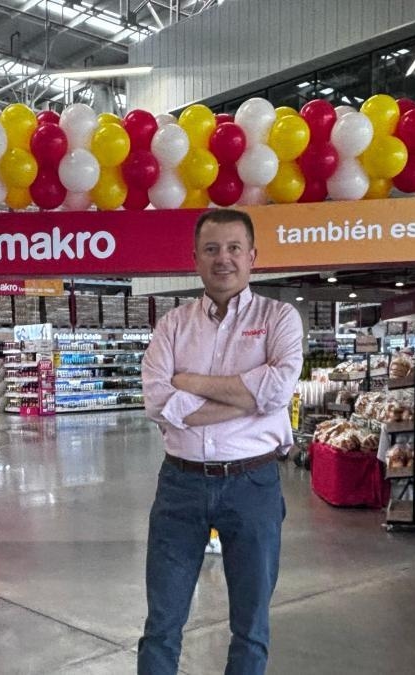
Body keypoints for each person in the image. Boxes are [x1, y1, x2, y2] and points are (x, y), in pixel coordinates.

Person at [139, 208, 303, 675]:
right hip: (180, 486)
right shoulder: (173, 324)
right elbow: (157, 401)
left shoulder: (279, 318)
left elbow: (277, 391)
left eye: (234, 248)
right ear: (195, 258)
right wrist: (247, 398)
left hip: (253, 484)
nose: (223, 259)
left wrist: (189, 382)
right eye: (211, 249)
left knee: (251, 625)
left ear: (253, 257)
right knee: (163, 622)